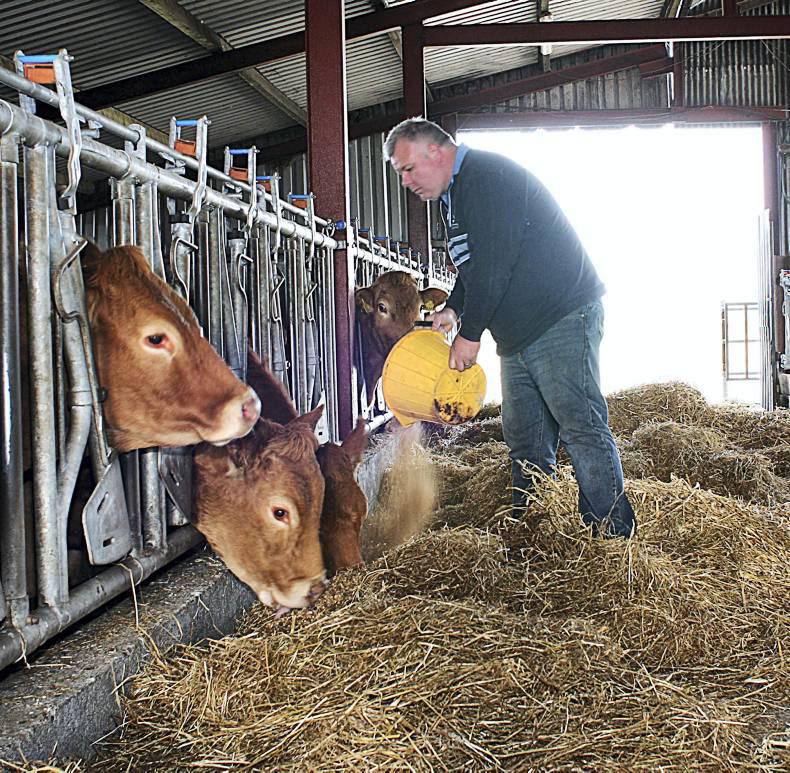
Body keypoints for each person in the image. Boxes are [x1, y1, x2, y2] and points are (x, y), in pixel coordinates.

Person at [383, 117, 636, 538]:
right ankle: (534, 532)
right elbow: (474, 265)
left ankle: (612, 537)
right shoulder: (454, 197)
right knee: (525, 438)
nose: (406, 181)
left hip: (559, 317)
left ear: (436, 152)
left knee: (580, 425)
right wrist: (454, 309)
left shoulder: (485, 178)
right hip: (518, 334)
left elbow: (495, 266)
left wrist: (469, 335)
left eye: (408, 169)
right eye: (400, 173)